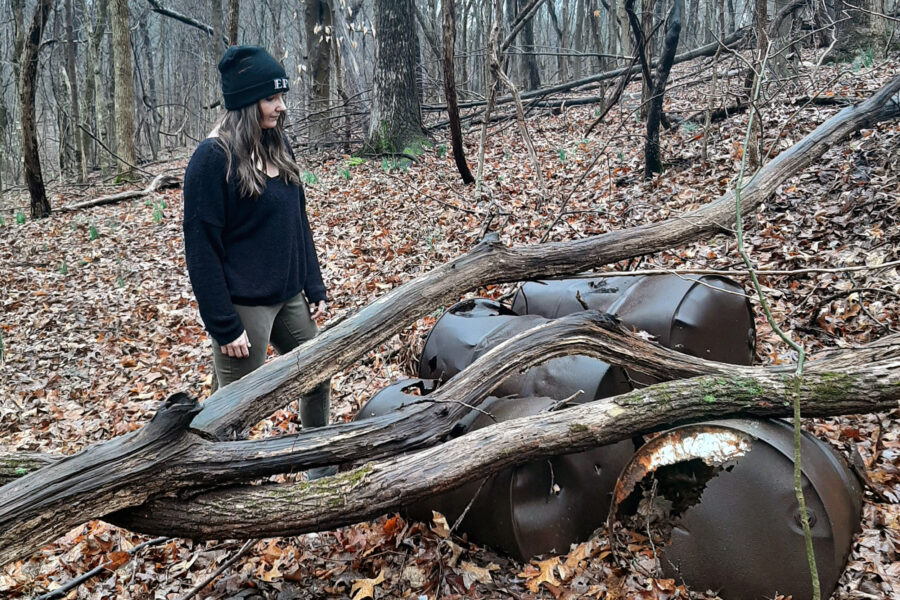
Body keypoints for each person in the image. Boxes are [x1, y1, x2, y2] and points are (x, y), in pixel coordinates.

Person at [183, 46, 332, 475]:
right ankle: (217, 484)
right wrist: (223, 324)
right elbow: (201, 249)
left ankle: (320, 470)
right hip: (243, 306)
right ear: (247, 102)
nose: (281, 106)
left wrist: (313, 282)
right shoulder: (212, 160)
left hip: (287, 295)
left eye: (281, 97)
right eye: (271, 98)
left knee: (317, 372)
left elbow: (296, 219)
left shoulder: (277, 143)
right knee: (235, 410)